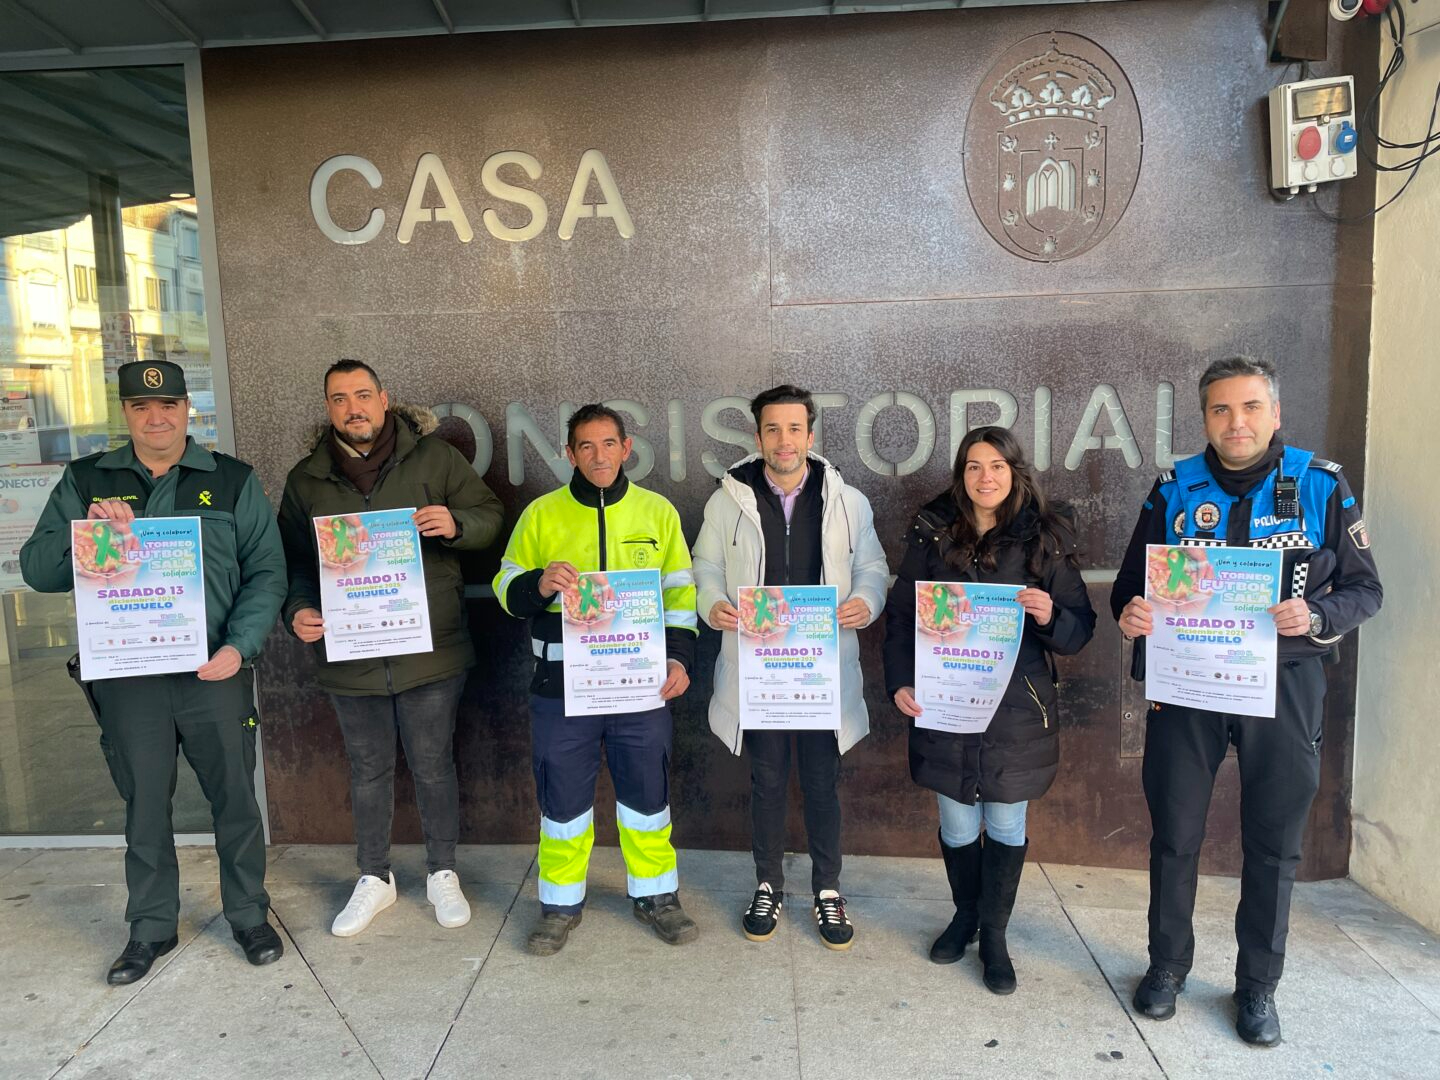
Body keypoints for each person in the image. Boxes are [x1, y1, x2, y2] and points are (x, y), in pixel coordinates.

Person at [1112, 356, 1382, 1046]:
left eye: (1251, 407)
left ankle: (1258, 988)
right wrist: (1132, 614)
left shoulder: (1321, 485)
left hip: (1285, 685)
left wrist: (1318, 616)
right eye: (1222, 410)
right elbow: (1126, 589)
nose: (1237, 422)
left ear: (1275, 413)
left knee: (1274, 845)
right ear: (1204, 418)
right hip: (1189, 686)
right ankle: (1167, 968)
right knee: (1174, 836)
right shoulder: (1175, 487)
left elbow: (1364, 590)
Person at [20, 360, 288, 983]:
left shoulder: (230, 481)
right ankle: (150, 927)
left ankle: (248, 913)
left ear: (187, 408)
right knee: (143, 805)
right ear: (126, 414)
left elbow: (266, 572)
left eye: (167, 404)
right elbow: (39, 569)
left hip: (213, 673)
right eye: (142, 407)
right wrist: (88, 532)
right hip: (129, 679)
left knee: (235, 801)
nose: (156, 416)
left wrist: (240, 647)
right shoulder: (88, 480)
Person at [277, 359, 503, 937]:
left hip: (430, 649)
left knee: (433, 766)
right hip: (351, 653)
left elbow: (490, 516)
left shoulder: (435, 458)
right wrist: (298, 610)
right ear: (327, 408)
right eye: (338, 399)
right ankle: (374, 877)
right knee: (368, 770)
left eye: (362, 395)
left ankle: (442, 871)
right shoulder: (307, 479)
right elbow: (297, 562)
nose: (353, 408)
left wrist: (454, 523)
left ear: (384, 399)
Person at [883, 426, 1094, 993]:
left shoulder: (1043, 540)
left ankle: (995, 935)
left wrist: (1049, 614)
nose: (985, 477)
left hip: (1016, 713)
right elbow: (903, 616)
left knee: (1003, 821)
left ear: (1015, 472)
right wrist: (899, 681)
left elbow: (1080, 631)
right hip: (945, 702)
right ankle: (965, 916)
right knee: (955, 823)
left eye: (997, 466)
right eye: (974, 466)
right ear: (961, 475)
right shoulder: (931, 534)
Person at [493, 403, 699, 955]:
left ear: (627, 448)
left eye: (609, 444)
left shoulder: (658, 513)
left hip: (640, 684)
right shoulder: (541, 514)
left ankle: (657, 896)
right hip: (560, 688)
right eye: (586, 446)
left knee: (646, 797)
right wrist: (538, 584)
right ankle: (560, 905)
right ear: (569, 454)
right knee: (562, 801)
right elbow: (505, 586)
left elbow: (680, 597)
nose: (598, 455)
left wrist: (679, 661)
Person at [692, 385, 888, 951]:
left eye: (795, 429)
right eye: (772, 430)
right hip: (760, 671)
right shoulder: (727, 500)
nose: (784, 440)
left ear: (811, 435)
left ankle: (828, 890)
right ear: (757, 437)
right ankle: (768, 883)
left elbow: (872, 565)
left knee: (823, 782)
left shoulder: (847, 500)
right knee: (768, 780)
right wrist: (712, 604)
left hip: (821, 670)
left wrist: (866, 601)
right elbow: (703, 563)